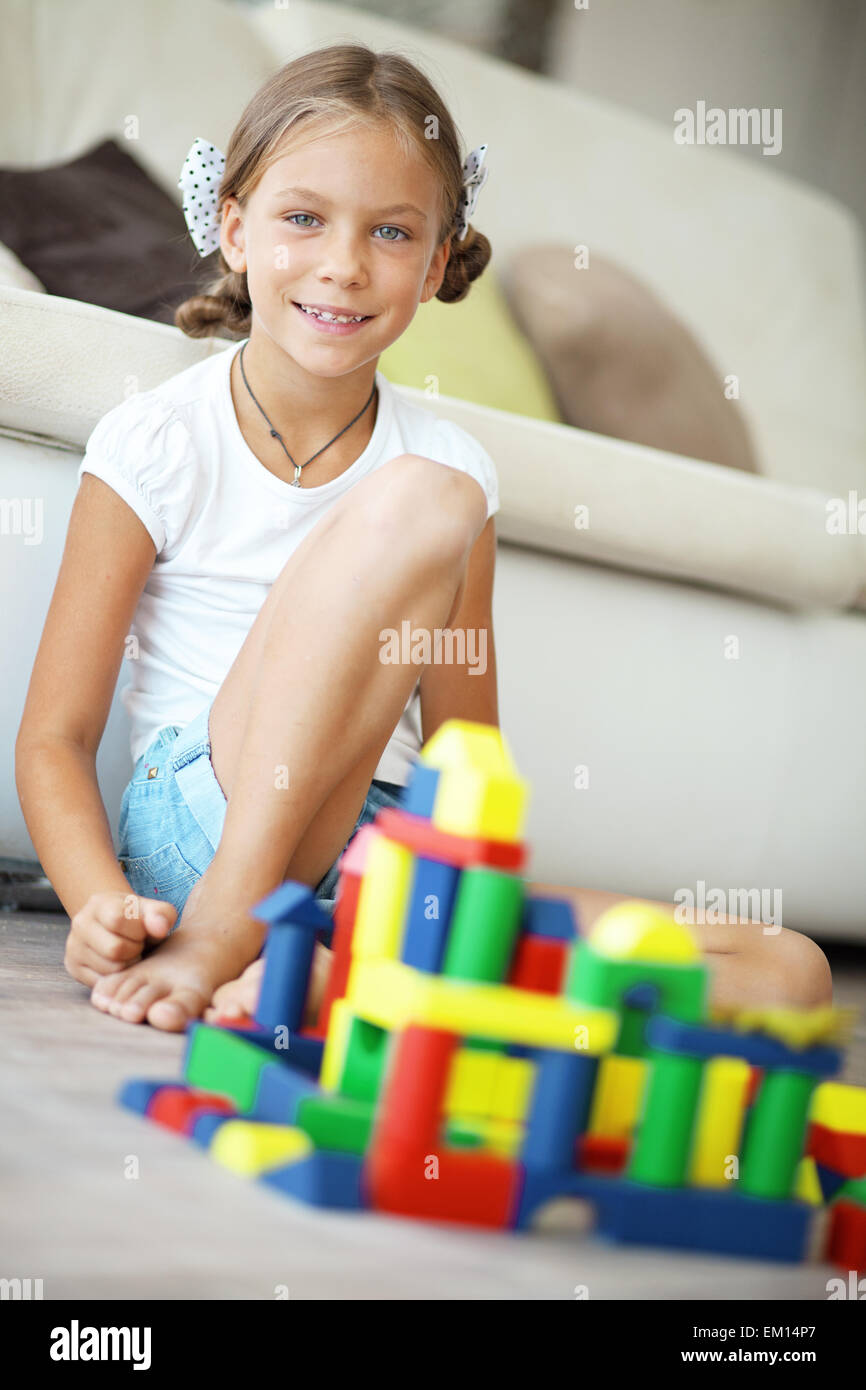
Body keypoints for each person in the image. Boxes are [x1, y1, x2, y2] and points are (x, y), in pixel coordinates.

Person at [16, 43, 831, 1032]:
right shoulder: (159, 439)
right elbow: (56, 736)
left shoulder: (449, 464)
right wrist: (98, 897)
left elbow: (461, 749)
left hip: (374, 853)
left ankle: (340, 980)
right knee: (427, 497)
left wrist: (458, 907)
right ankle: (235, 925)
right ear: (234, 230)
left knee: (786, 969)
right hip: (207, 824)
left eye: (391, 232)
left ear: (438, 262)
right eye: (303, 219)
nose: (344, 265)